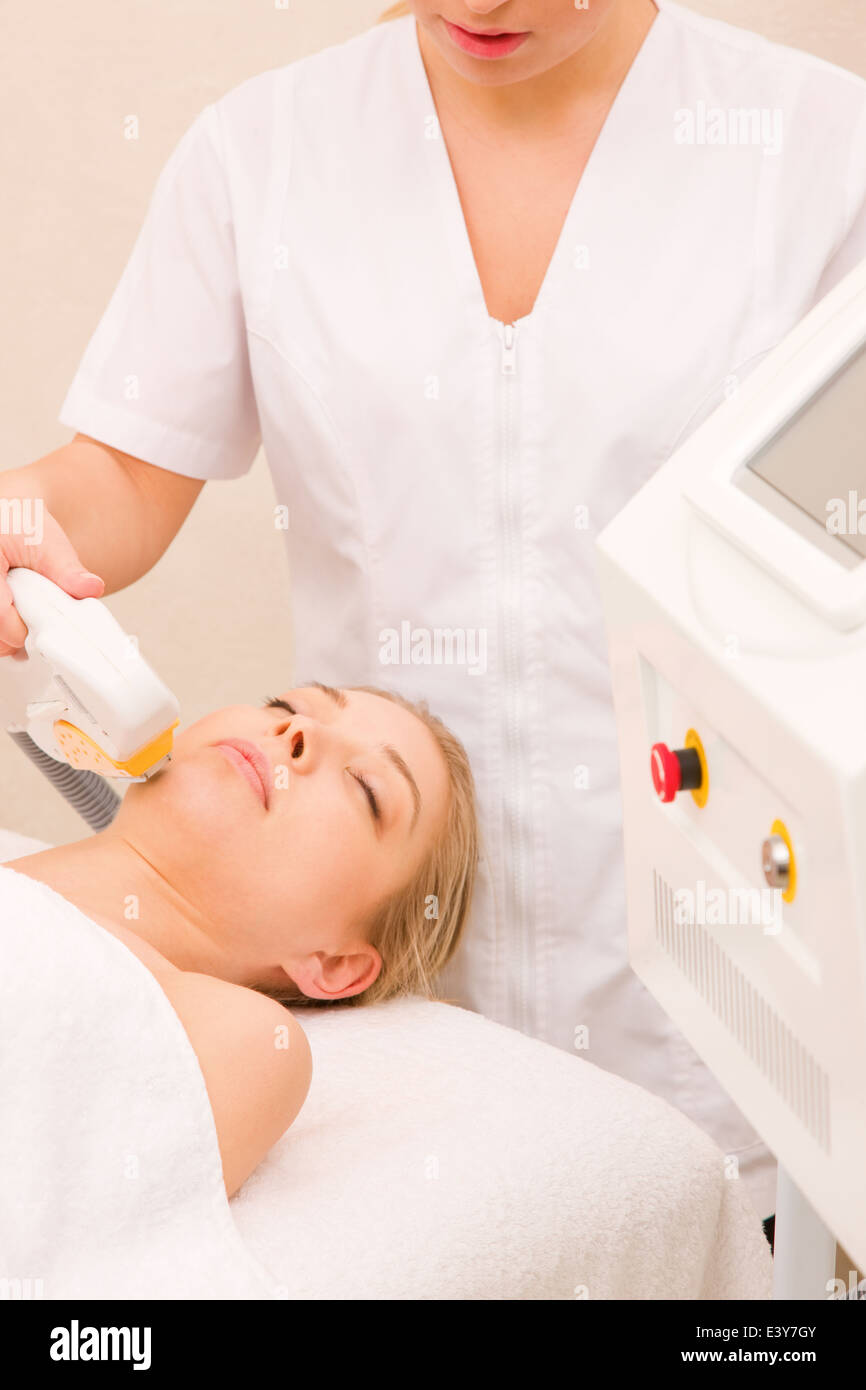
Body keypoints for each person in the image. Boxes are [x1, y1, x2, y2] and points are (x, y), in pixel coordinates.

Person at [2, 0, 865, 1220]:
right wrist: (22, 518)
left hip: (731, 994)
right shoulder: (263, 153)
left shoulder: (818, 155)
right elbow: (122, 477)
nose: (478, 7)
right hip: (387, 1027)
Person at [5, 681, 479, 1196]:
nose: (300, 728)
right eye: (285, 706)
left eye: (366, 788)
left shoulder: (239, 1039)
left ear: (334, 963)